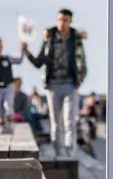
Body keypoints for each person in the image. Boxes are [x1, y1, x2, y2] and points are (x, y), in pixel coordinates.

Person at [24, 8, 88, 156]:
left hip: (71, 85)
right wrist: (26, 52)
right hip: (52, 85)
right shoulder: (49, 38)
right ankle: (58, 154)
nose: (61, 23)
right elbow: (39, 63)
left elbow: (83, 63)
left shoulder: (76, 39)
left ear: (70, 22)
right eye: (59, 20)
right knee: (55, 123)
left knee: (69, 121)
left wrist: (80, 80)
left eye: (65, 20)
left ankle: (70, 154)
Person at [0, 37, 25, 132]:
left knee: (8, 105)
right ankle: (0, 126)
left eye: (0, 47)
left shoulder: (7, 59)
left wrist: (22, 50)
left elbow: (19, 60)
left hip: (8, 85)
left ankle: (8, 125)